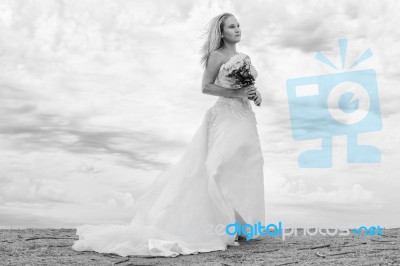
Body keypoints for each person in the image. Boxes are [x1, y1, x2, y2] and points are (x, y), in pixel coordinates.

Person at [71, 12, 265, 258]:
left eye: (238, 25)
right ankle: (218, 224)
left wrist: (255, 95)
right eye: (231, 26)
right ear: (222, 32)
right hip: (225, 115)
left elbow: (247, 87)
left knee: (245, 164)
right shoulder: (217, 56)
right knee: (219, 165)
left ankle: (239, 226)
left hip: (245, 116)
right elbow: (206, 87)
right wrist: (237, 94)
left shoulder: (243, 57)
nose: (237, 29)